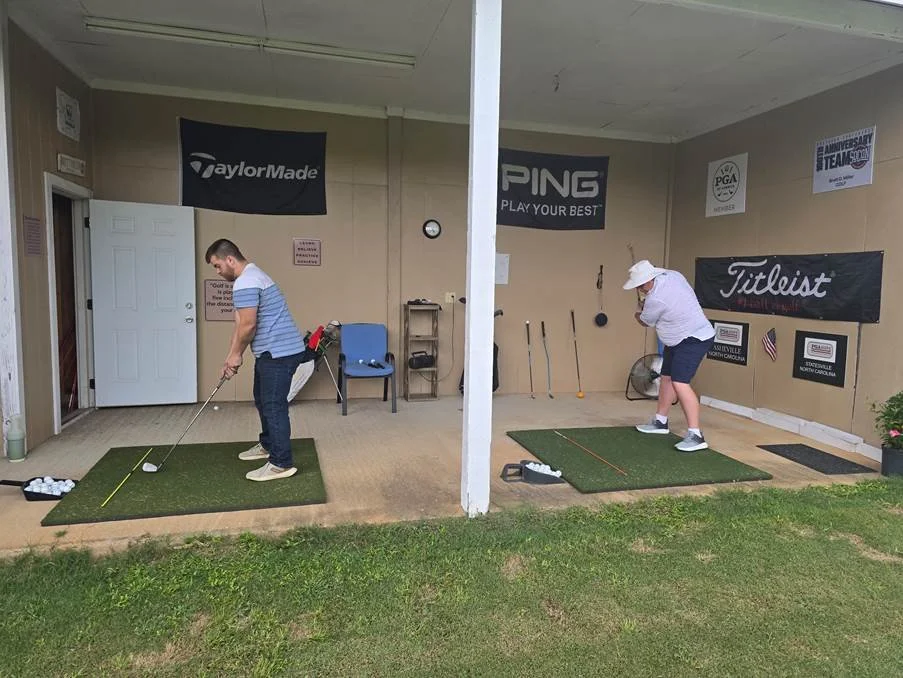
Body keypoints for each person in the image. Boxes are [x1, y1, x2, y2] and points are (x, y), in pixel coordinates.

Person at [206, 239, 306, 481]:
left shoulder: (247, 281)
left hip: (279, 352)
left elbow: (249, 325)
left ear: (230, 260)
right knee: (262, 400)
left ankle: (281, 463)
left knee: (273, 405)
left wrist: (237, 355)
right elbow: (240, 324)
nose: (217, 272)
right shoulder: (249, 278)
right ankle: (269, 444)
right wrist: (231, 356)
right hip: (272, 352)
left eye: (217, 266)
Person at [623, 259, 715, 452]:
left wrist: (639, 310)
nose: (639, 289)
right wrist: (646, 302)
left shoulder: (656, 300)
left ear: (649, 279)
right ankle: (660, 422)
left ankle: (696, 436)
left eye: (641, 285)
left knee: (680, 383)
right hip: (677, 339)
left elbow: (645, 321)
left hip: (693, 339)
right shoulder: (673, 275)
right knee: (666, 377)